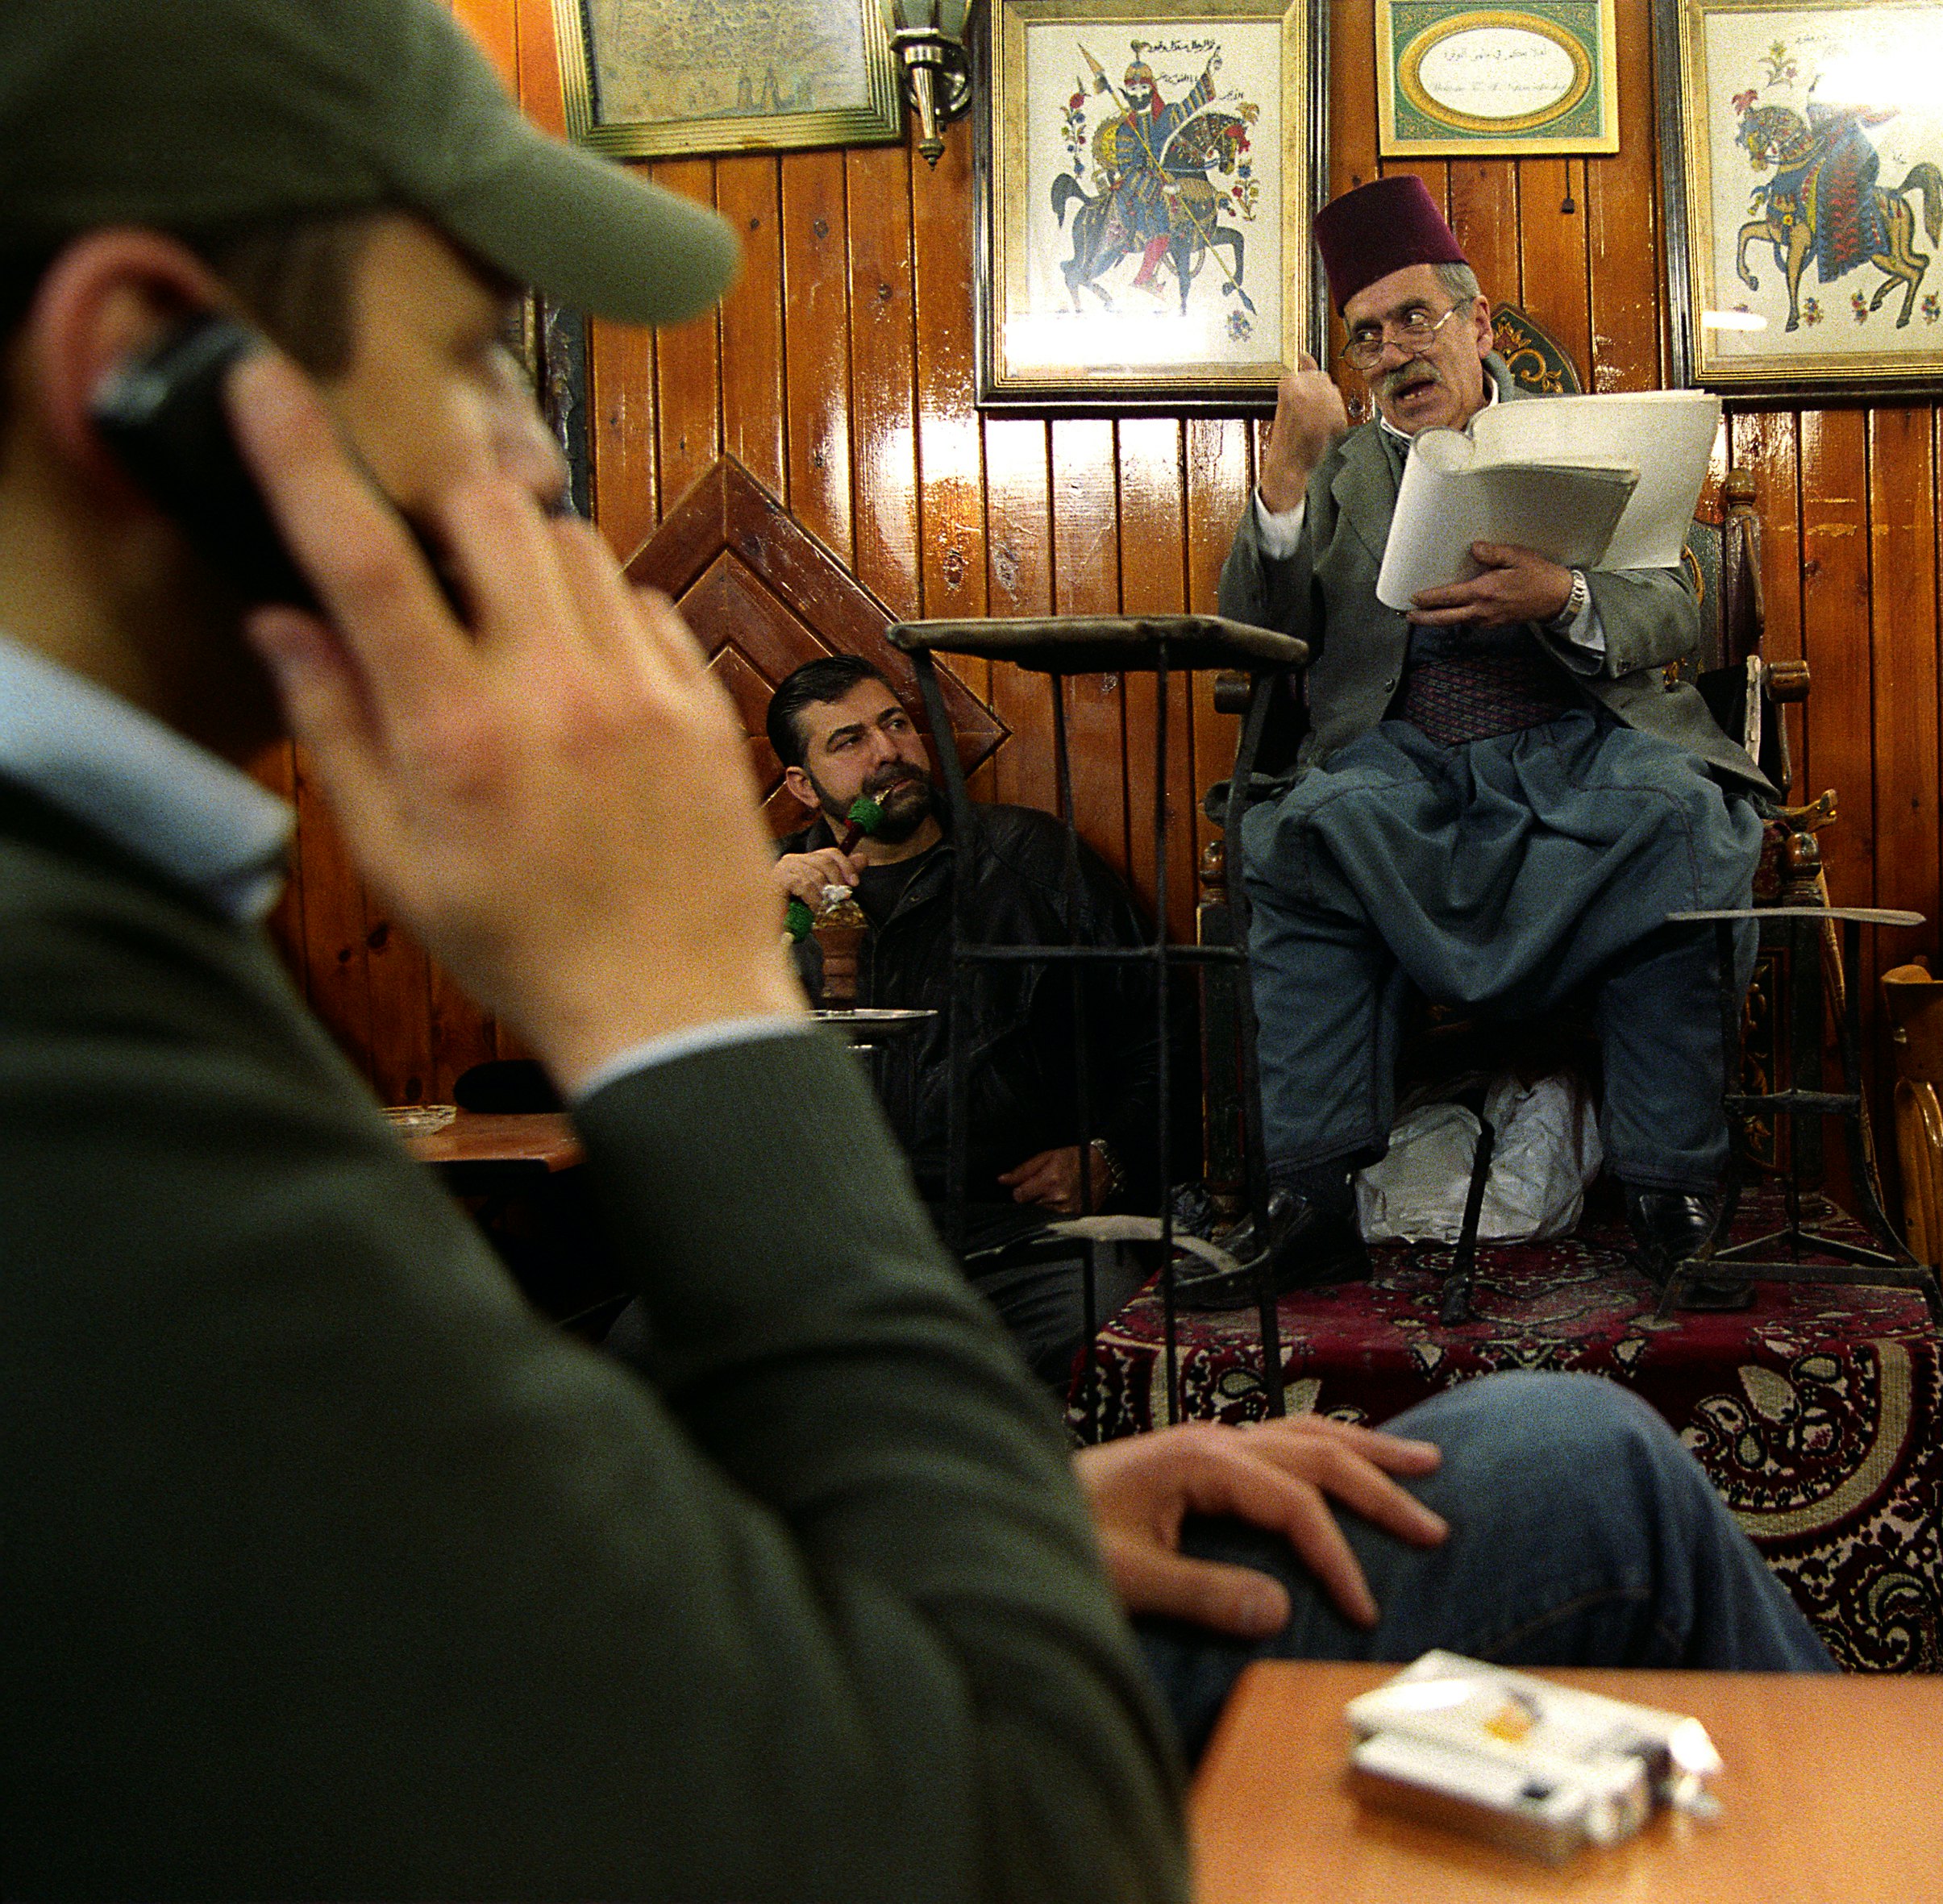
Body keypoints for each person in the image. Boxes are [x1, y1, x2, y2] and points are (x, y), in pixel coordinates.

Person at [0, 6, 1829, 1894]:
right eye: (474, 348)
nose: (535, 459)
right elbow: (947, 1813)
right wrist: (691, 1009)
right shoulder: (74, 1076)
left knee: (1577, 1442)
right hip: (897, 1760)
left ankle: (1666, 1180)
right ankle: (1314, 1187)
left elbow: (465, 1563)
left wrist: (1018, 1499)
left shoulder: (137, 933)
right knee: (1590, 1463)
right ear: (146, 372)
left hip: (801, 1611)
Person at [1213, 174, 1771, 1308]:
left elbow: (1677, 605)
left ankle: (1671, 1192)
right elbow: (1257, 635)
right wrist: (1283, 477)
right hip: (1398, 766)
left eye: (1415, 318)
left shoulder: (1585, 440)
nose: (1394, 352)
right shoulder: (1335, 471)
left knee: (1682, 822)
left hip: (1579, 746)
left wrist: (1564, 595)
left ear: (1476, 323)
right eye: (1367, 335)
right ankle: (1309, 1201)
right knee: (1299, 834)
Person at [765, 654, 1159, 1380]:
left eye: (895, 725)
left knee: (1112, 1337)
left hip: (1013, 1238)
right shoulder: (762, 898)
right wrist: (750, 918)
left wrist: (1111, 1155)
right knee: (647, 1346)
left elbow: (1158, 1028)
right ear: (802, 785)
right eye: (849, 741)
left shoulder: (1031, 861)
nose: (887, 751)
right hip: (819, 1247)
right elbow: (673, 1055)